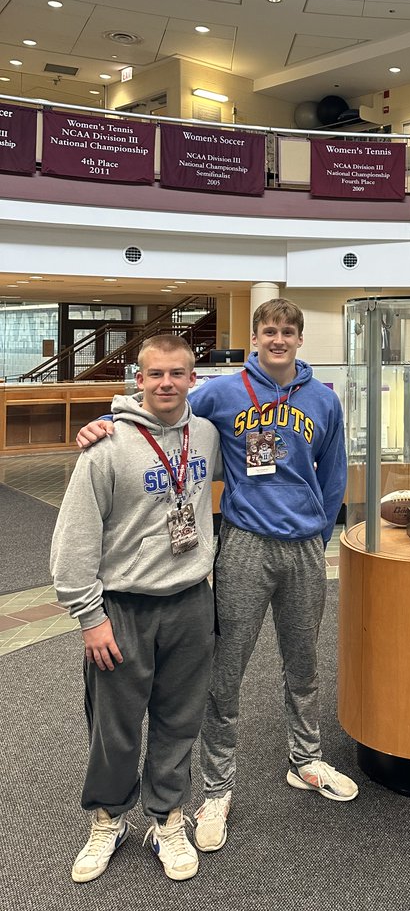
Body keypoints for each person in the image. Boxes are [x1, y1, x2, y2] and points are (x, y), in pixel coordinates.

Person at [76, 298, 356, 855]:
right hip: (244, 546)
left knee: (303, 661)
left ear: (301, 340)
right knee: (225, 672)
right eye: (268, 330)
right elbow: (161, 407)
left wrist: (321, 531)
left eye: (287, 332)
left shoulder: (324, 400)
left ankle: (306, 759)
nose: (277, 339)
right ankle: (217, 787)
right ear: (255, 337)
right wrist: (106, 418)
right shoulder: (222, 393)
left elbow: (335, 471)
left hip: (303, 548)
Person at [51, 335, 220, 884]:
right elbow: (73, 541)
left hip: (192, 602)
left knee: (179, 720)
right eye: (155, 374)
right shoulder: (106, 446)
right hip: (123, 608)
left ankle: (167, 818)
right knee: (114, 726)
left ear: (193, 379)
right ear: (138, 379)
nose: (166, 383)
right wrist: (89, 618)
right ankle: (107, 819)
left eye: (177, 373)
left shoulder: (207, 436)